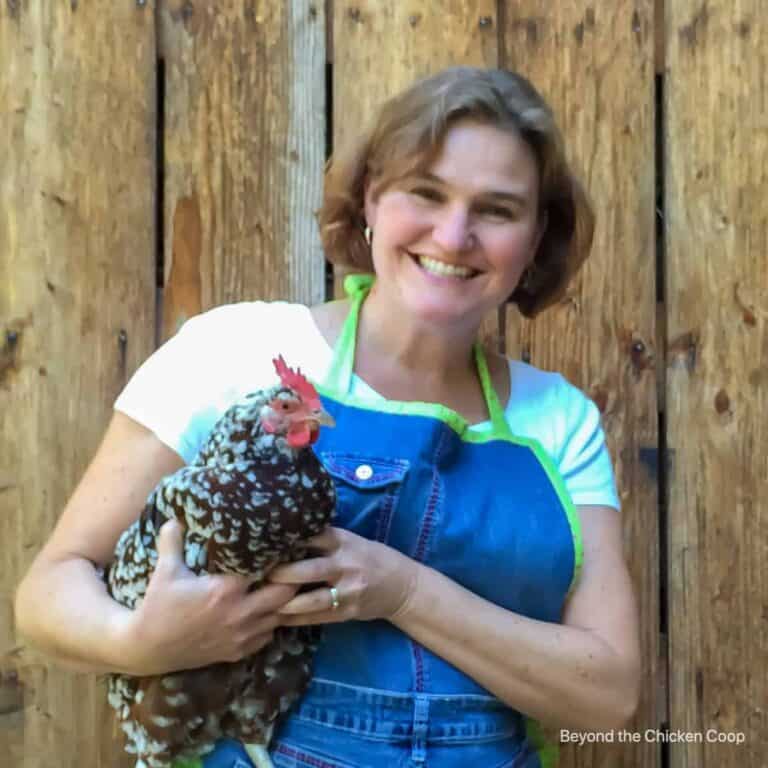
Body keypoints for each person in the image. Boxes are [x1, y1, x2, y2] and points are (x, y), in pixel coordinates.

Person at [15, 66, 641, 767]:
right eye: (425, 193)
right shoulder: (232, 352)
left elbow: (609, 698)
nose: (454, 233)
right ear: (372, 197)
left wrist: (403, 591)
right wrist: (140, 643)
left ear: (534, 238)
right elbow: (48, 591)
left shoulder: (559, 421)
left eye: (497, 210)